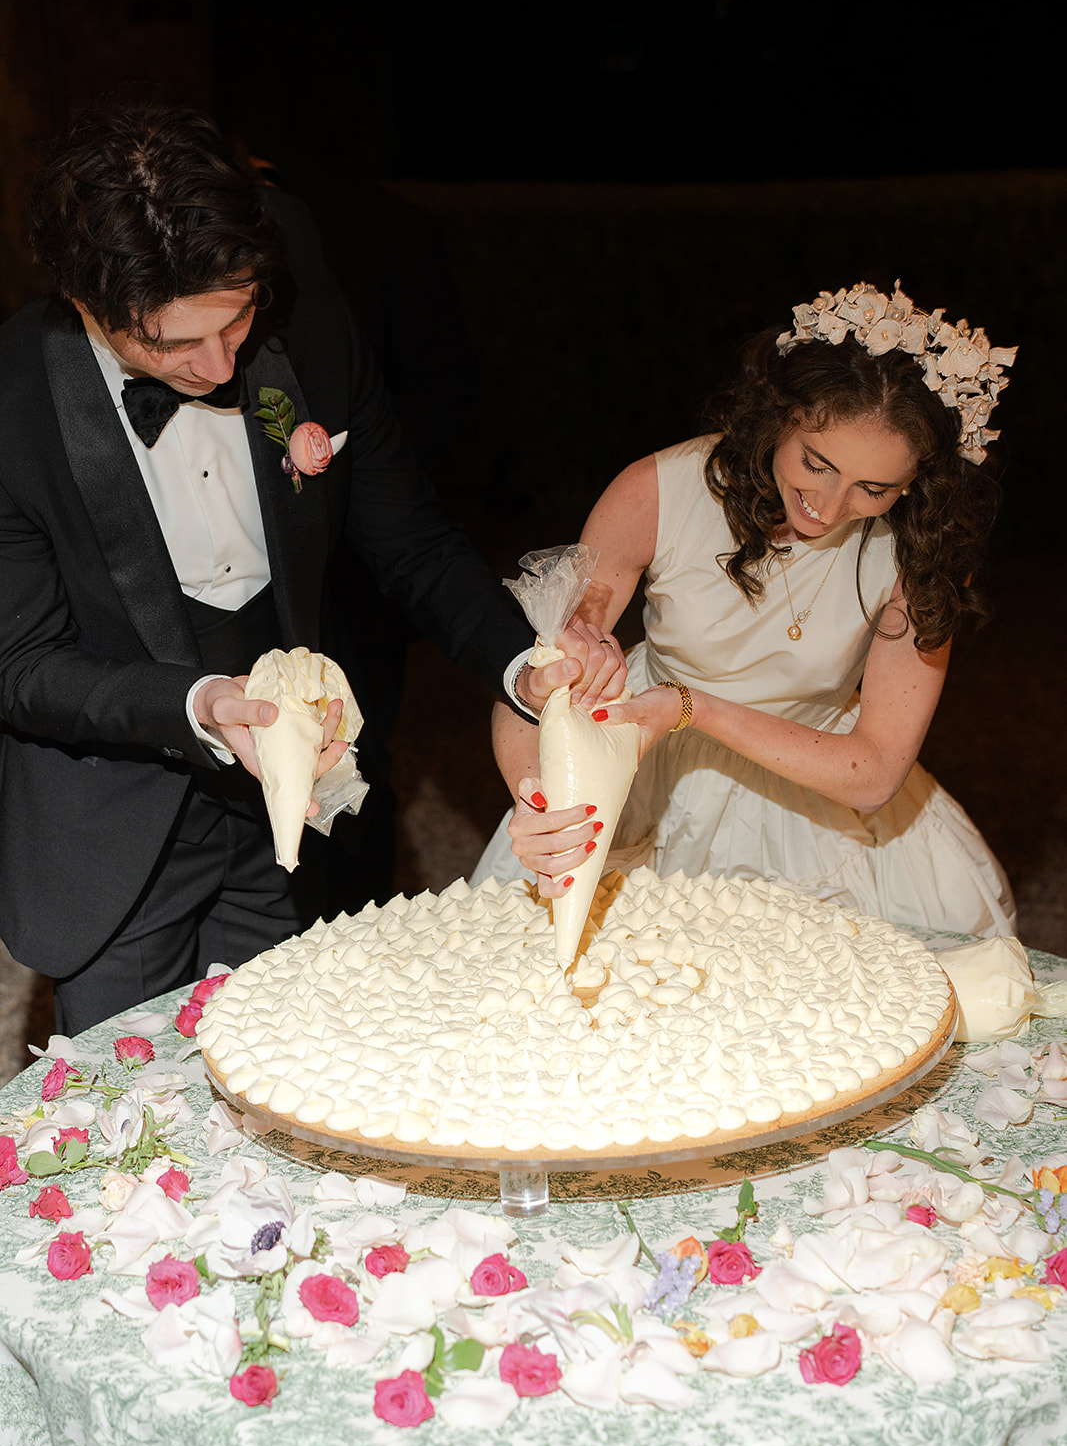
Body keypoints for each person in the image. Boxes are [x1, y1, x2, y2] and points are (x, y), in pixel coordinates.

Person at [0, 102, 617, 1034]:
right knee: (127, 1123)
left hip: (307, 801)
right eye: (171, 344)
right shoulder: (14, 403)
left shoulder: (302, 295)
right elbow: (21, 664)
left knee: (306, 1075)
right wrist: (201, 704)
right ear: (86, 303)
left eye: (237, 319)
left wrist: (520, 664)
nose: (219, 366)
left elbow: (407, 535)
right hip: (112, 811)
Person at [478, 282, 1017, 938]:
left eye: (872, 488)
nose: (829, 503)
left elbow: (874, 772)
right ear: (778, 419)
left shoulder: (918, 551)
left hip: (815, 783)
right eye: (815, 463)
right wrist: (538, 797)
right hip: (642, 769)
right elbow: (530, 683)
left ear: (913, 483)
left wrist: (691, 708)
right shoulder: (657, 490)